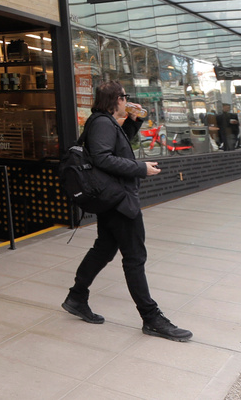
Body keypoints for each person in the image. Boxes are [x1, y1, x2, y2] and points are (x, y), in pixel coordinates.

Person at [61, 81, 192, 342]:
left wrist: (133, 121)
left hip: (112, 199)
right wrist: (140, 169)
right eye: (125, 97)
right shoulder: (101, 123)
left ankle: (76, 297)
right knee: (134, 258)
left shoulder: (105, 122)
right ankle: (151, 318)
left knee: (103, 250)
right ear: (116, 99)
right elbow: (103, 158)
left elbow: (117, 147)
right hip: (119, 201)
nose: (127, 100)